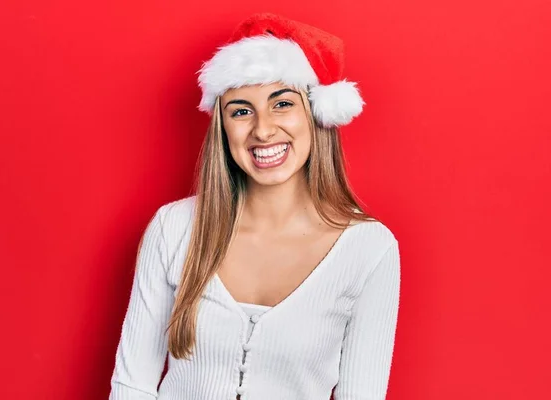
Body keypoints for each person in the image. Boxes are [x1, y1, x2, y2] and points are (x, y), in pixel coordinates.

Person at [109, 12, 401, 400]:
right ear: (223, 126)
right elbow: (132, 386)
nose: (262, 129)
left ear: (315, 114)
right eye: (241, 111)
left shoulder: (370, 249)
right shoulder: (173, 228)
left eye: (281, 104)